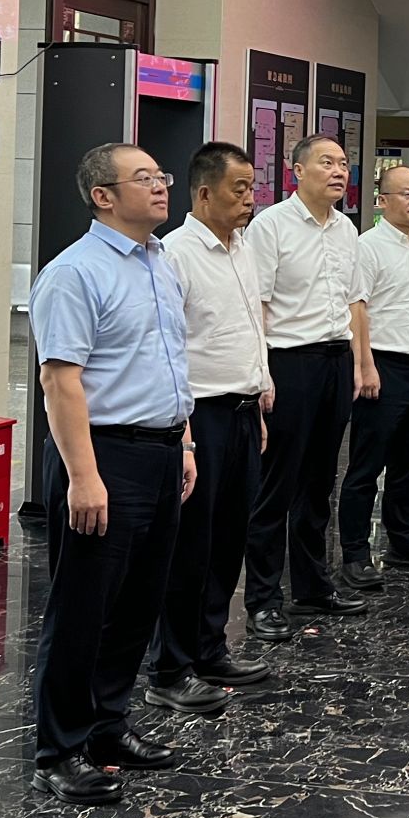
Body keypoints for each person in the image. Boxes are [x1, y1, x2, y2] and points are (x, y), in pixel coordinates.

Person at [29, 143, 209, 805]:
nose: (161, 186)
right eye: (144, 178)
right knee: (84, 608)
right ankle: (59, 751)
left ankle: (107, 727)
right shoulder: (74, 273)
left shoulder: (160, 262)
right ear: (103, 196)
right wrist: (84, 476)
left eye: (162, 176)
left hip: (160, 451)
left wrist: (183, 443)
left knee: (137, 603)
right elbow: (60, 381)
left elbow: (168, 362)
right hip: (103, 455)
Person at [150, 143, 274, 708]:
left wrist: (261, 388)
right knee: (191, 545)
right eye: (238, 189)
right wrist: (184, 433)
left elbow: (251, 324)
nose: (249, 199)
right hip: (200, 415)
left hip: (243, 410)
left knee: (228, 539)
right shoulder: (175, 254)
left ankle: (210, 647)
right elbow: (169, 348)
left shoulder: (243, 246)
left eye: (251, 188)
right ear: (204, 193)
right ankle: (170, 668)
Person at [243, 136, 369, 637]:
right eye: (327, 163)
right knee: (277, 483)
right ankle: (263, 598)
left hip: (336, 360)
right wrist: (262, 372)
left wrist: (358, 364)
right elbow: (258, 305)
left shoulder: (346, 229)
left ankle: (313, 586)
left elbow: (353, 302)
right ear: (297, 171)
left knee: (320, 482)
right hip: (289, 361)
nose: (339, 171)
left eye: (343, 163)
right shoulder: (271, 226)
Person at [341, 164, 409, 590]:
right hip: (384, 366)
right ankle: (355, 554)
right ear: (382, 200)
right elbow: (358, 308)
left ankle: (404, 541)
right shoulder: (368, 247)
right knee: (367, 466)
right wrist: (364, 364)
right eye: (407, 193)